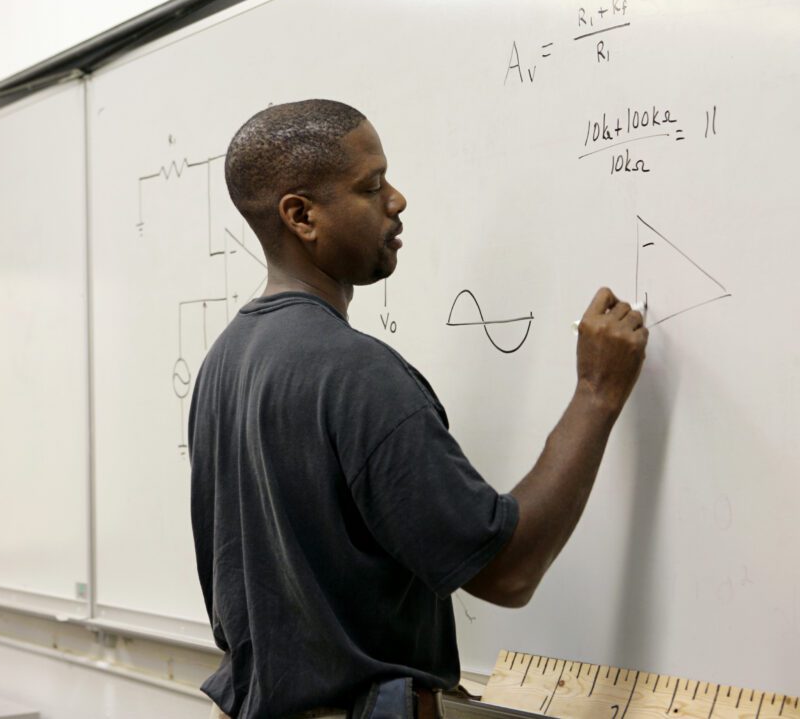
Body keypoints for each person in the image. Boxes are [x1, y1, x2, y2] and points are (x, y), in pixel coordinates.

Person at [189, 99, 648, 719]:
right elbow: (507, 573)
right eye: (371, 186)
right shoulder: (355, 373)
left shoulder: (225, 361)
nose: (397, 200)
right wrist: (597, 394)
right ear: (300, 216)